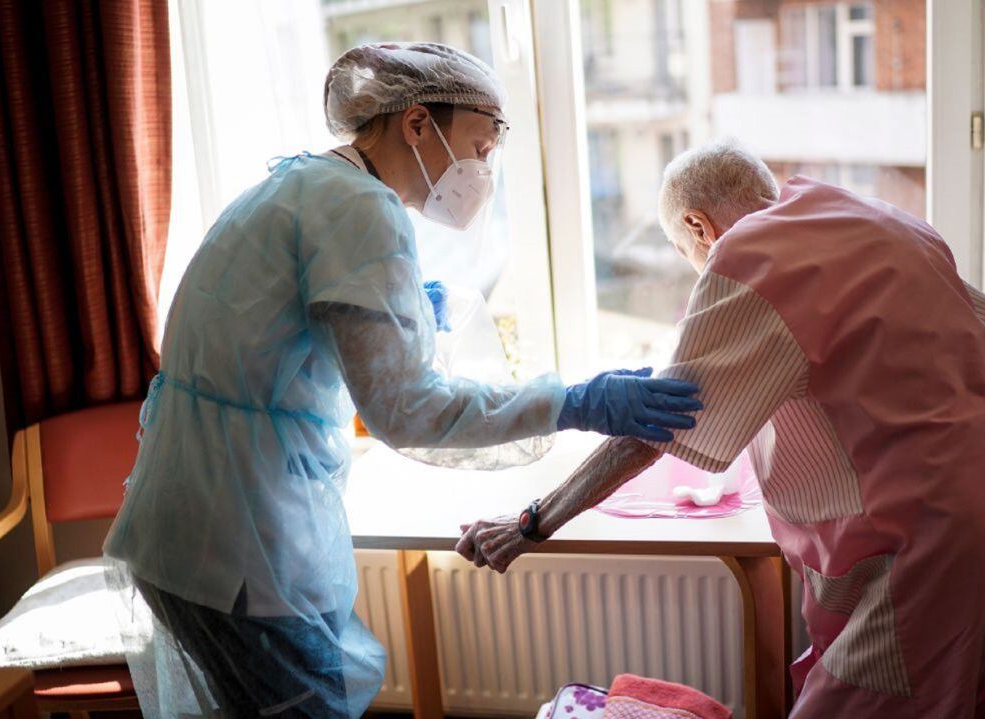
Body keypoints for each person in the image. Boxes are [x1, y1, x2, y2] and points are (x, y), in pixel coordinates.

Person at [102, 43, 702, 719]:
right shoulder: (358, 207)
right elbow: (408, 409)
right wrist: (575, 401)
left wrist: (411, 308)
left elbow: (288, 332)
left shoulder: (304, 185)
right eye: (480, 146)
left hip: (195, 519)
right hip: (233, 541)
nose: (483, 171)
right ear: (416, 124)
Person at [457, 140, 985, 717]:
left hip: (940, 533)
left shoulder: (749, 257)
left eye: (687, 253)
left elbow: (653, 430)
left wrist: (529, 524)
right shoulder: (877, 218)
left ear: (698, 228)